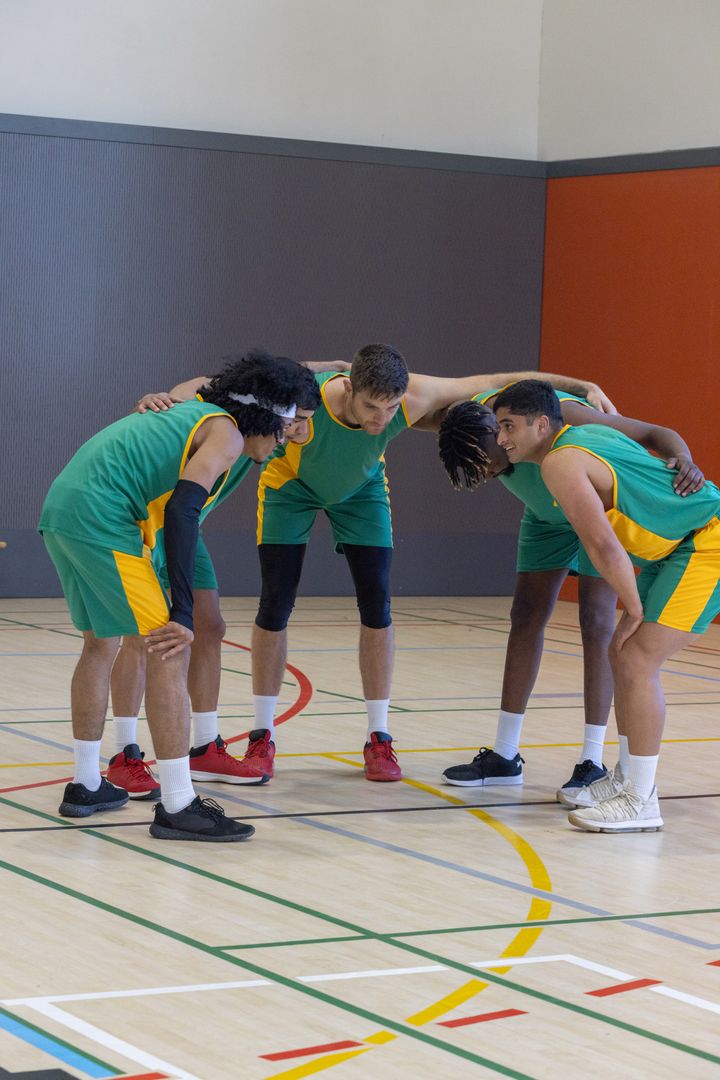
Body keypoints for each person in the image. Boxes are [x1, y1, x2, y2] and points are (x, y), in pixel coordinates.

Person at [163, 345, 616, 784]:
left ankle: (378, 735)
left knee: (377, 606)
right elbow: (216, 385)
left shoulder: (413, 398)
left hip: (363, 493)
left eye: (390, 408)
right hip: (292, 487)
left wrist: (581, 384)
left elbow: (495, 383)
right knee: (274, 605)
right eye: (371, 407)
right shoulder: (311, 396)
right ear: (349, 390)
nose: (382, 420)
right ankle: (263, 735)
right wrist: (168, 396)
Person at [38, 351, 318, 840]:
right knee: (169, 646)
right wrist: (182, 612)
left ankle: (85, 783)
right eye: (284, 427)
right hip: (105, 519)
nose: (282, 440)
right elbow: (184, 512)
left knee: (100, 643)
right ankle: (178, 804)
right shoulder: (227, 432)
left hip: (63, 509)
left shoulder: (196, 410)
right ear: (266, 417)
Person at [436, 387, 704, 800]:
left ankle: (596, 763)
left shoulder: (561, 423)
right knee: (528, 617)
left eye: (489, 461)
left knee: (602, 627)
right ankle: (508, 755)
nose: (490, 471)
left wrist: (683, 460)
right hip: (552, 518)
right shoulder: (476, 432)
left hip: (602, 517)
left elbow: (652, 434)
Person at [106, 366, 329, 795]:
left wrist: (338, 367)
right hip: (156, 523)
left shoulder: (277, 431)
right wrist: (164, 392)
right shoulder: (233, 415)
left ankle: (205, 746)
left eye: (307, 419)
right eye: (296, 416)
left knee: (210, 626)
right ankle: (124, 753)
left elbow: (299, 373)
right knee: (142, 637)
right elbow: (194, 388)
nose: (300, 427)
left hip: (191, 528)